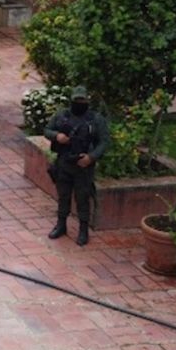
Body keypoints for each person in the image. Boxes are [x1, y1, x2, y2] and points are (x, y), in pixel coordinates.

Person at [43, 86, 109, 246]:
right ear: (71, 100)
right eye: (76, 100)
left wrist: (91, 157)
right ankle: (61, 225)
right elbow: (46, 130)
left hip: (83, 165)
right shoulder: (62, 115)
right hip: (64, 162)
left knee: (83, 198)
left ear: (87, 101)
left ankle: (83, 229)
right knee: (63, 196)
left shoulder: (95, 119)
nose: (79, 103)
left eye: (82, 100)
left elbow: (104, 142)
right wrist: (56, 136)